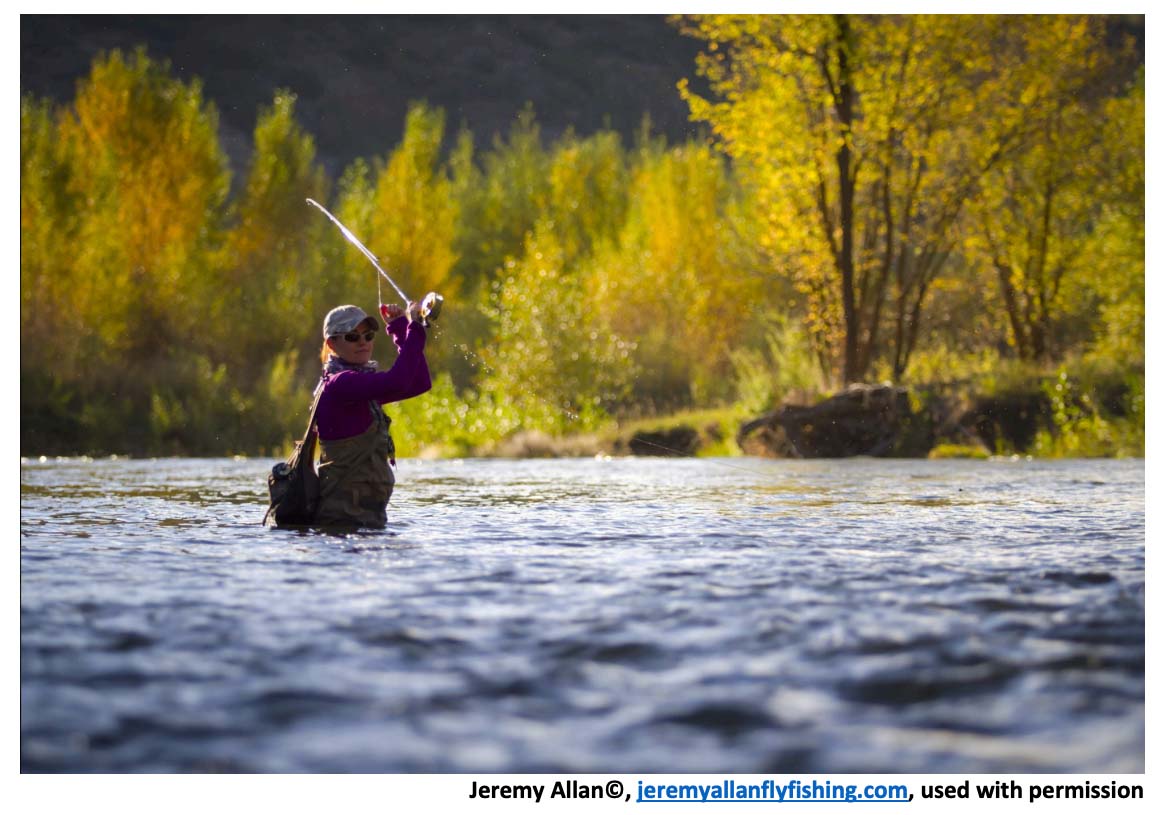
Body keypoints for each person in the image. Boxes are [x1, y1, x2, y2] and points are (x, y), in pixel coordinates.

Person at [311, 301, 432, 528]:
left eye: (368, 335)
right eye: (352, 337)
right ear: (332, 343)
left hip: (366, 519)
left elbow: (419, 382)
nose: (363, 343)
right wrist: (414, 328)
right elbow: (397, 381)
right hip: (341, 522)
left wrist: (398, 327)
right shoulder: (341, 384)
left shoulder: (358, 386)